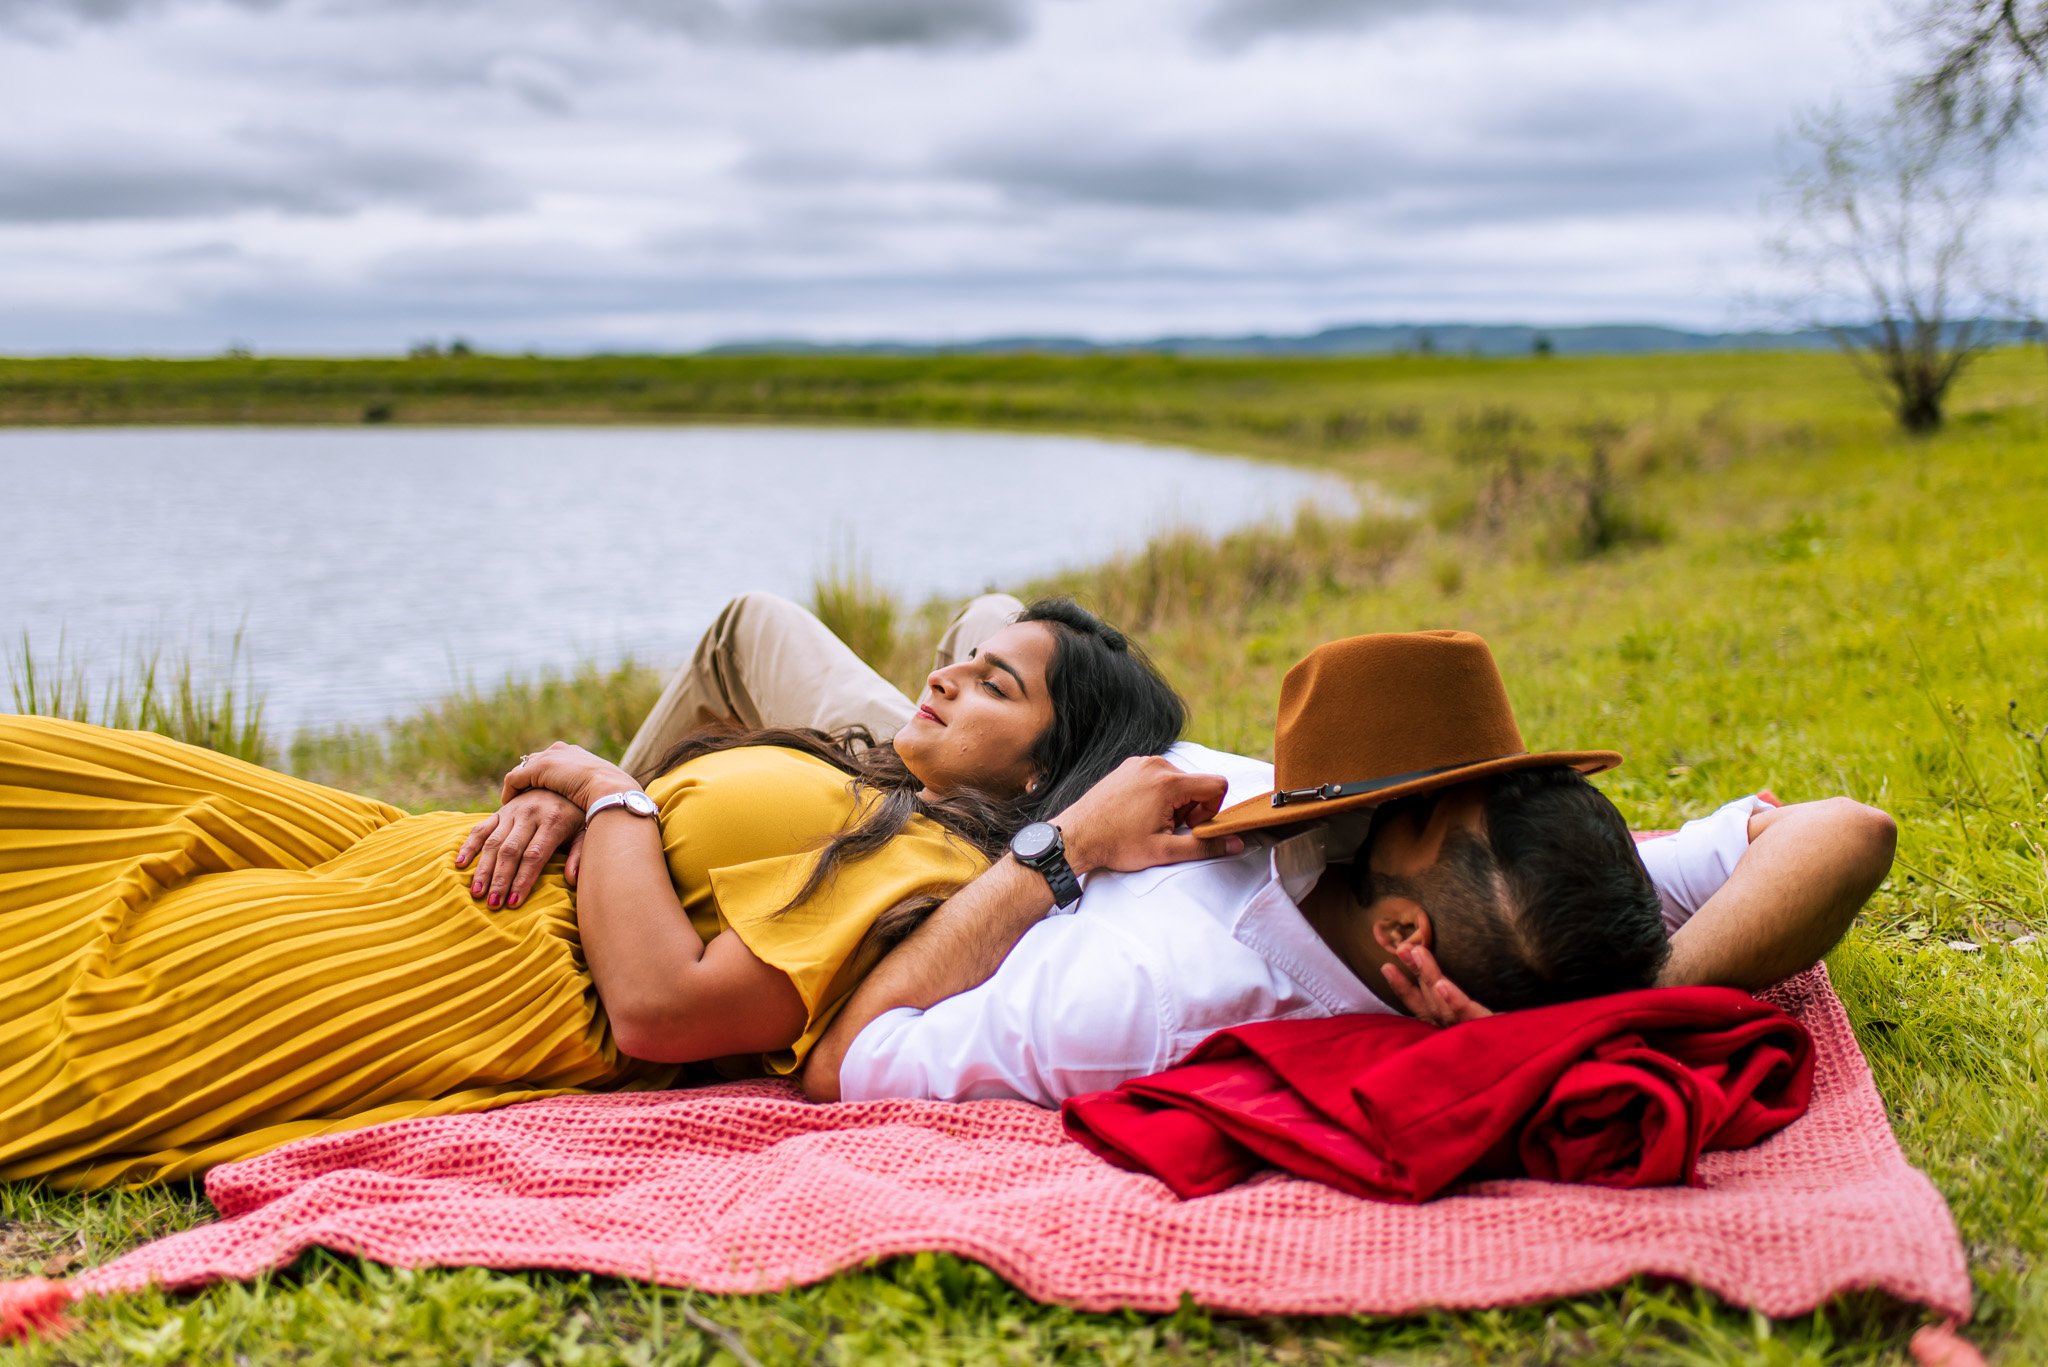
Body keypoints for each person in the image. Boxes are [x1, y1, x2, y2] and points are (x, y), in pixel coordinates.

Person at [0, 596, 1183, 1189]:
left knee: (105, 964)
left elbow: (664, 1010)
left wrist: (605, 791)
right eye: (959, 662)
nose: (939, 675)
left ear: (1043, 767)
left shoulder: (924, 859)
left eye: (988, 684)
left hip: (476, 953)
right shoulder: (880, 776)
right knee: (73, 778)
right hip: (423, 846)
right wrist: (572, 800)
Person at [602, 593, 1892, 1108]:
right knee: (994, 619)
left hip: (977, 834)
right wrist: (1638, 1006)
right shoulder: (1532, 887)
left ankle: (605, 783)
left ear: (1405, 939)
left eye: (1383, 802)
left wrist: (1058, 849)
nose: (1313, 797)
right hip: (1077, 766)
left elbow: (839, 1062)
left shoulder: (1139, 1001)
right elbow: (1843, 831)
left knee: (748, 632)